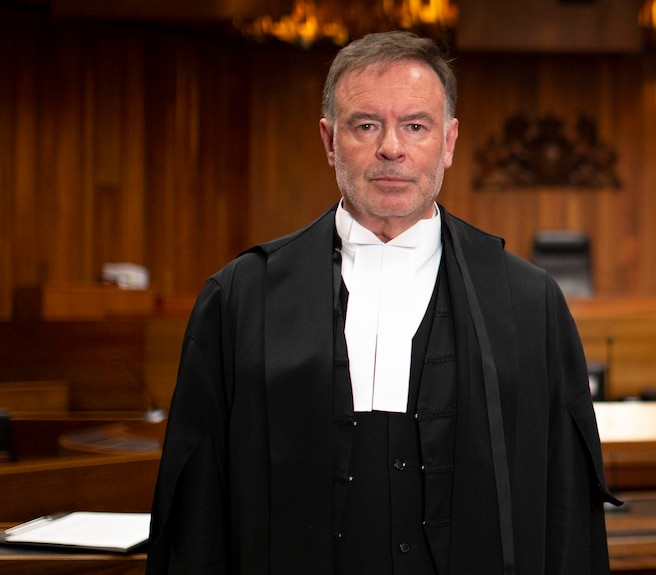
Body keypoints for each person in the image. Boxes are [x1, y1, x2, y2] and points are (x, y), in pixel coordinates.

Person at [146, 30, 617, 575]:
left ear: (448, 141)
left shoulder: (528, 303)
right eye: (366, 125)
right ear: (328, 141)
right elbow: (199, 508)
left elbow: (564, 507)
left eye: (415, 126)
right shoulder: (240, 299)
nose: (391, 147)